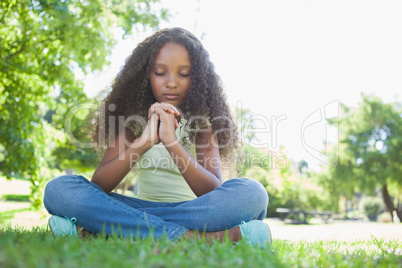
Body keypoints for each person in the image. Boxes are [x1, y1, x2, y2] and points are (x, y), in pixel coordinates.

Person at [44, 27, 271, 247]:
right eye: (160, 72)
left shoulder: (202, 125)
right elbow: (100, 185)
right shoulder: (133, 123)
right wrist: (144, 143)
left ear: (198, 78)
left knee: (253, 194)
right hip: (134, 209)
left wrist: (172, 142)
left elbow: (212, 192)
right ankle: (198, 239)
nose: (171, 82)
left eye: (184, 73)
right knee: (60, 189)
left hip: (193, 213)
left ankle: (104, 232)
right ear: (145, 76)